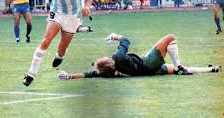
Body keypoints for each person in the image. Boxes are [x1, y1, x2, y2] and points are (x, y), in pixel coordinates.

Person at [7, 0, 95, 86]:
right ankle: (31, 75)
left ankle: (60, 56)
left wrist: (87, 6)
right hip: (57, 13)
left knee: (61, 48)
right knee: (46, 41)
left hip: (73, 17)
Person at [58, 33, 221, 80]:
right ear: (109, 61)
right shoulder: (118, 57)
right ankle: (180, 66)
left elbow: (87, 74)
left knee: (176, 71)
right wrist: (115, 37)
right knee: (170, 38)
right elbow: (127, 40)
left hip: (149, 71)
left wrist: (70, 76)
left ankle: (210, 69)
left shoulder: (106, 74)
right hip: (148, 63)